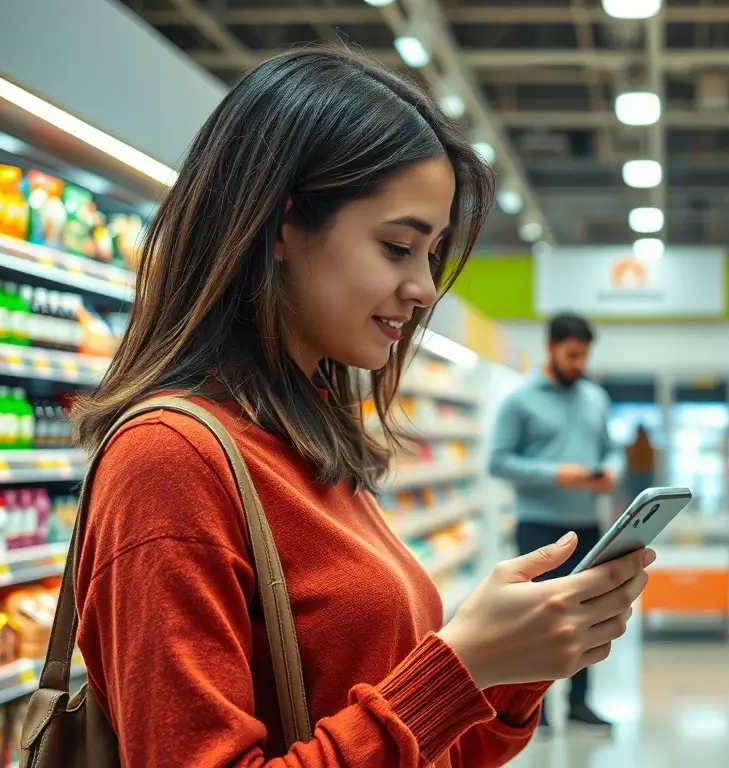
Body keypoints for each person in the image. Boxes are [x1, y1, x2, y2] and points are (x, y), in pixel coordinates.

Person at [68, 46, 650, 767]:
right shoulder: (170, 462)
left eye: (432, 253)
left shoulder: (306, 434)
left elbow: (427, 750)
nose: (426, 288)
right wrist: (459, 666)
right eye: (399, 246)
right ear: (281, 225)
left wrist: (512, 665)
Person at [488, 312, 625, 734]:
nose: (578, 364)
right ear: (549, 348)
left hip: (586, 524)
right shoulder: (519, 400)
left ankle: (580, 704)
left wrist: (611, 470)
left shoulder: (594, 397)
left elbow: (610, 448)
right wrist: (555, 474)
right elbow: (498, 461)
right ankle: (537, 711)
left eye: (584, 356)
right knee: (540, 618)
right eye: (571, 355)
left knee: (590, 613)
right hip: (538, 527)